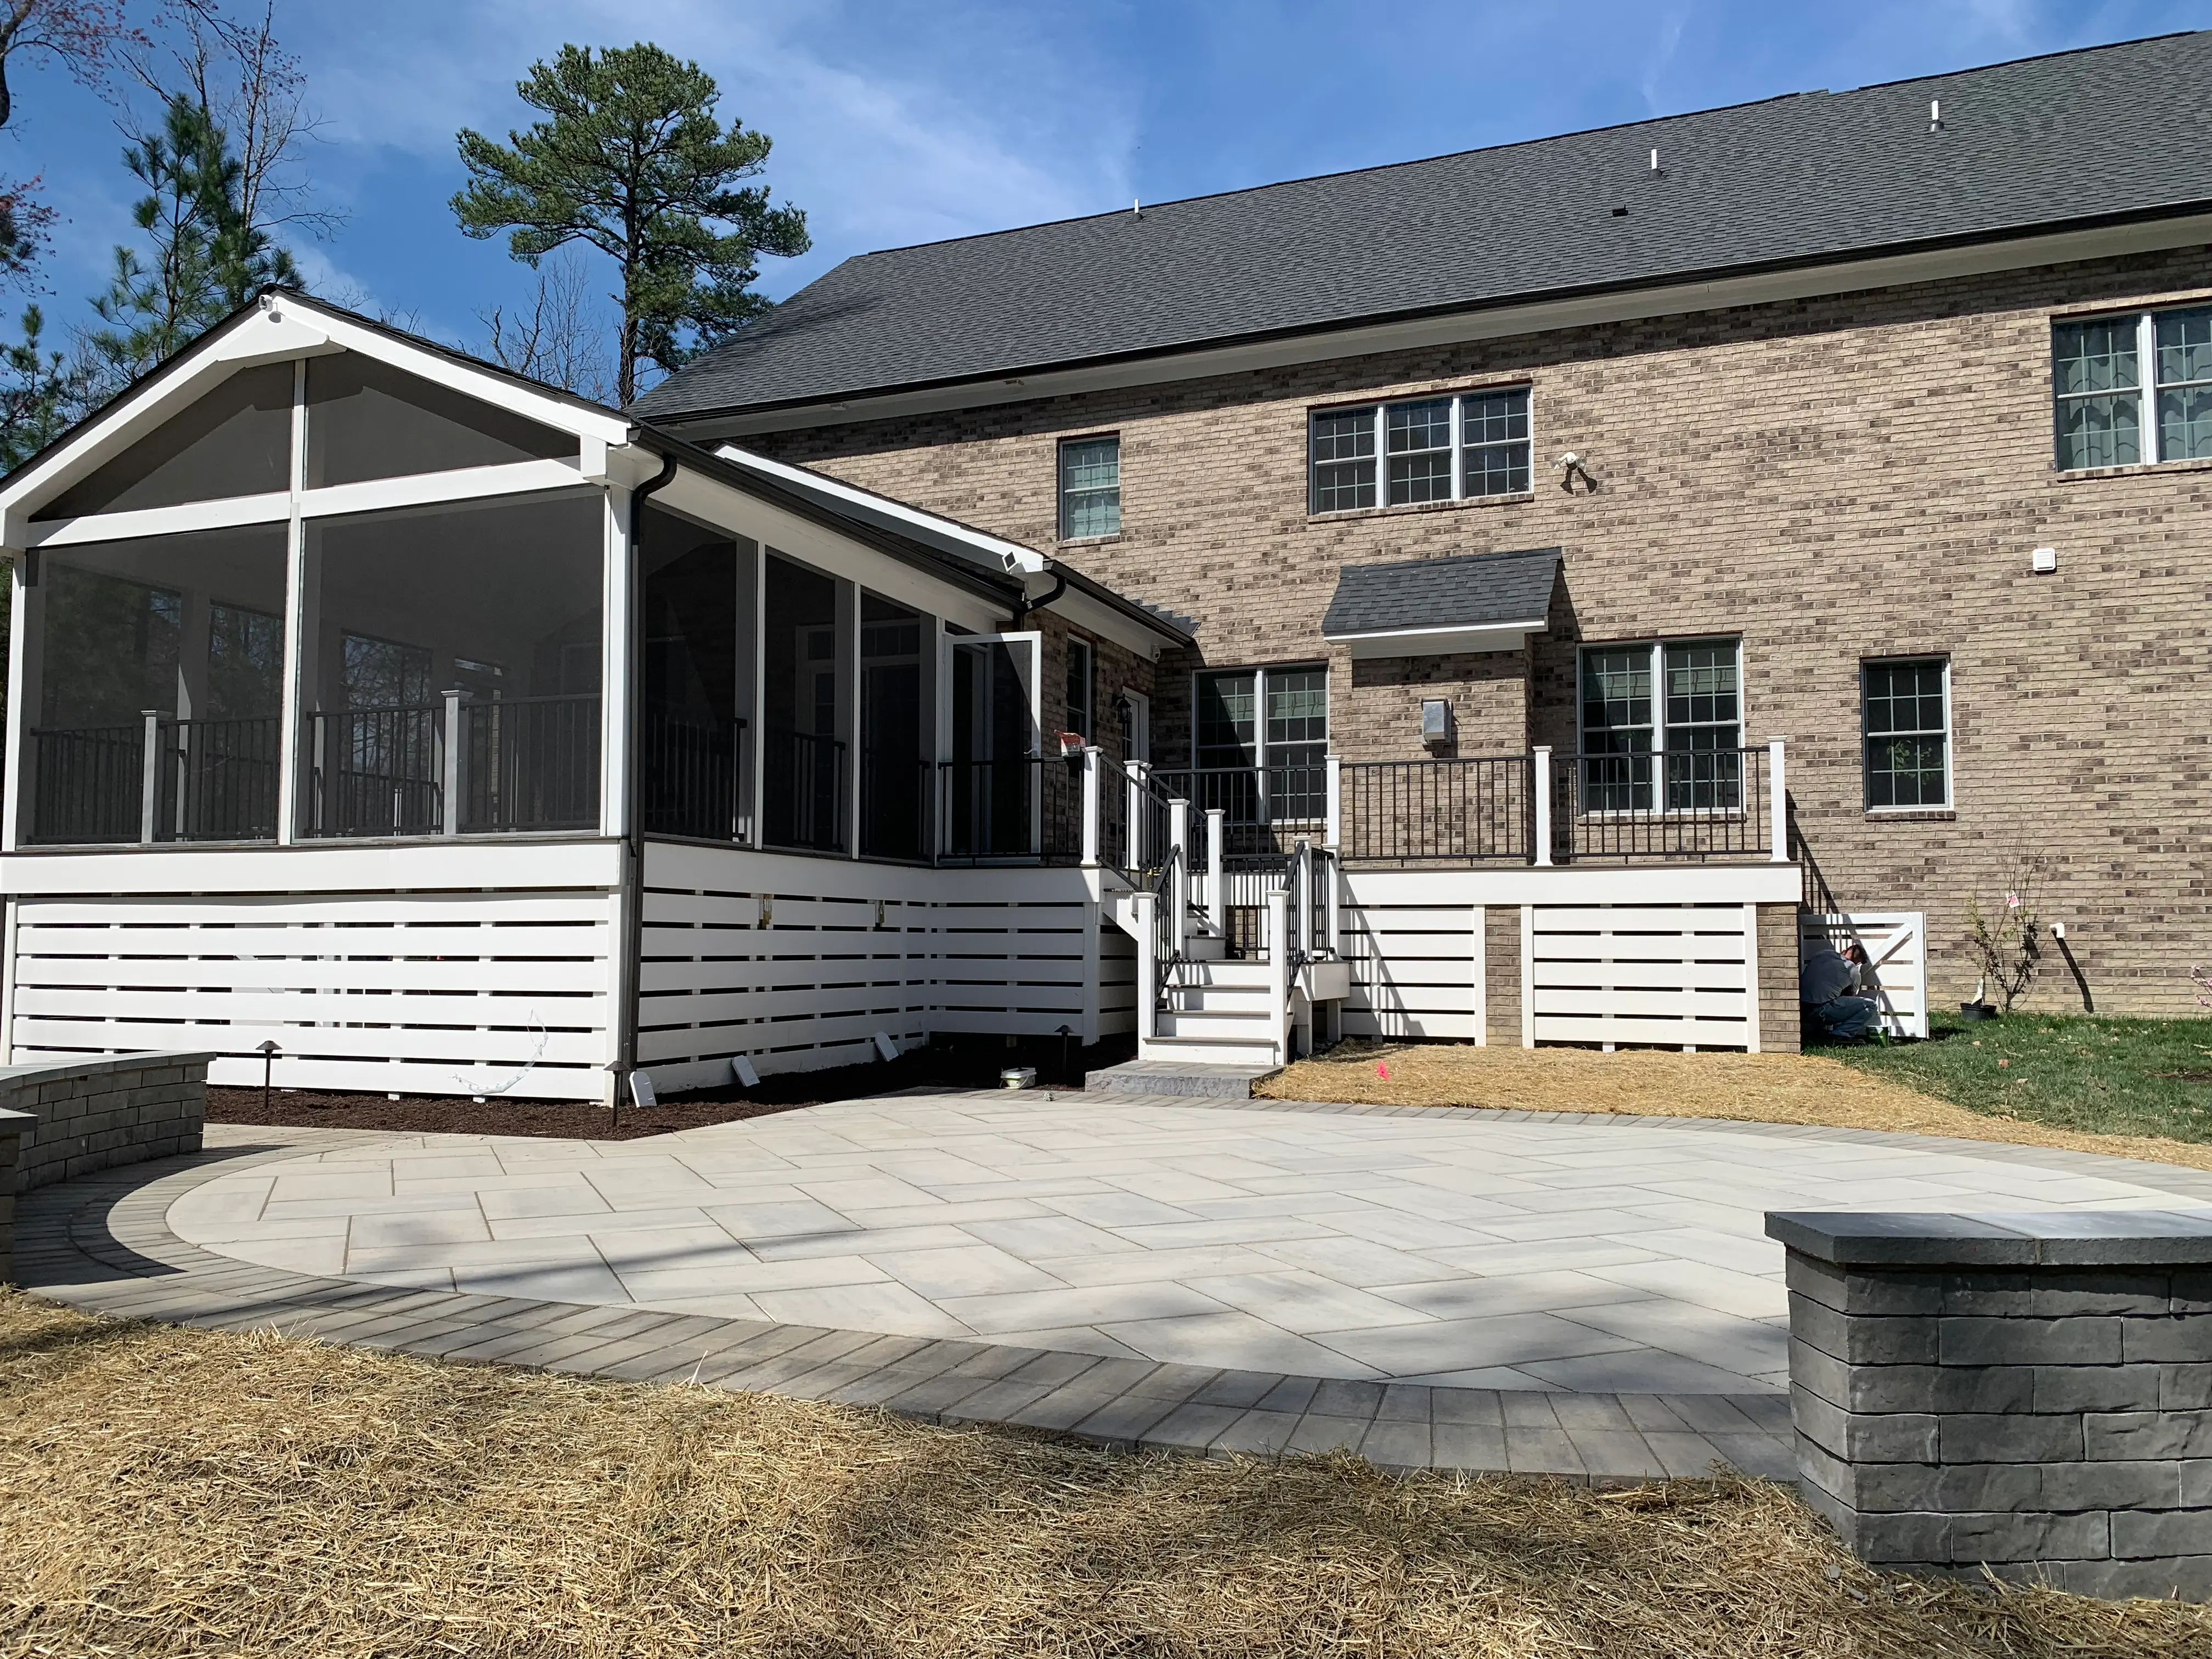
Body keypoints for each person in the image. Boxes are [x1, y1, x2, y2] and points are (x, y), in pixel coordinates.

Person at [1802, 940, 1880, 1043]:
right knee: (1871, 1006)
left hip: (1801, 1008)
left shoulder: (1823, 954)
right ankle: (1841, 1035)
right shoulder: (1853, 970)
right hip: (1820, 1012)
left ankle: (1818, 1032)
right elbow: (1850, 998)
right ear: (1858, 963)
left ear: (1843, 951)